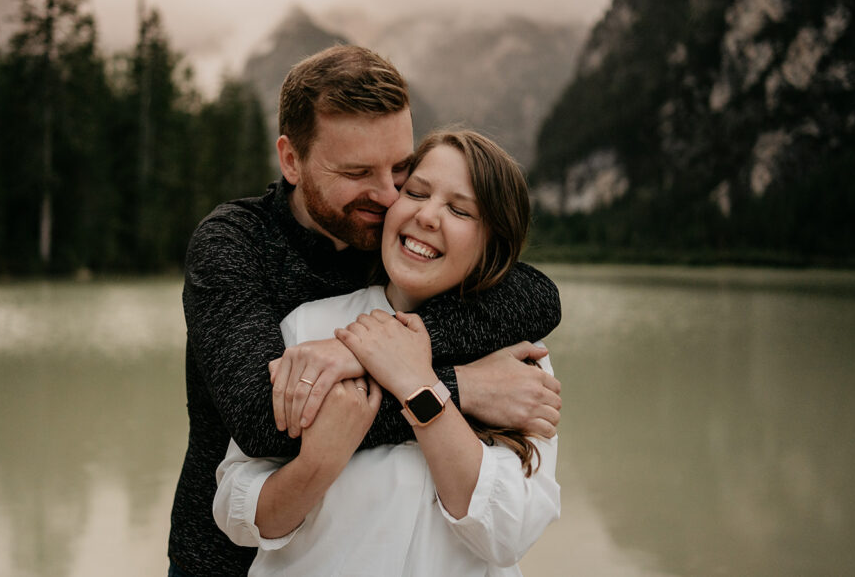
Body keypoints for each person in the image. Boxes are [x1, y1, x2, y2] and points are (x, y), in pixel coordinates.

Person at [168, 45, 562, 576]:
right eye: (358, 171)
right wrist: (460, 387)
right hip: (221, 562)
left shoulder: (396, 237)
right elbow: (265, 421)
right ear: (292, 160)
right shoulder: (235, 245)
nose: (387, 194)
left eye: (401, 168)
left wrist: (365, 354)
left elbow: (538, 297)